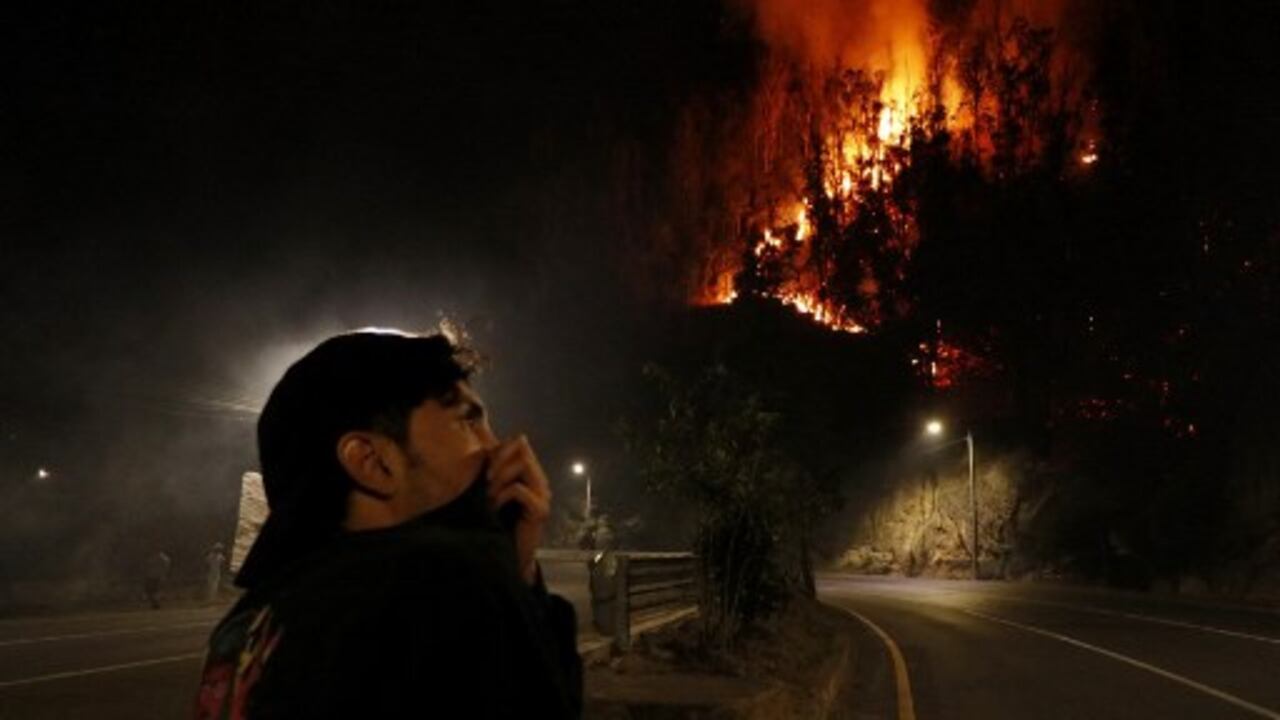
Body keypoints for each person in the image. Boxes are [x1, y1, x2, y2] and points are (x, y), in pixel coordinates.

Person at [194, 330, 581, 719]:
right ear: (372, 463)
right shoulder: (446, 579)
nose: (498, 449)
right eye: (467, 422)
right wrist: (512, 583)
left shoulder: (245, 625)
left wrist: (518, 569)